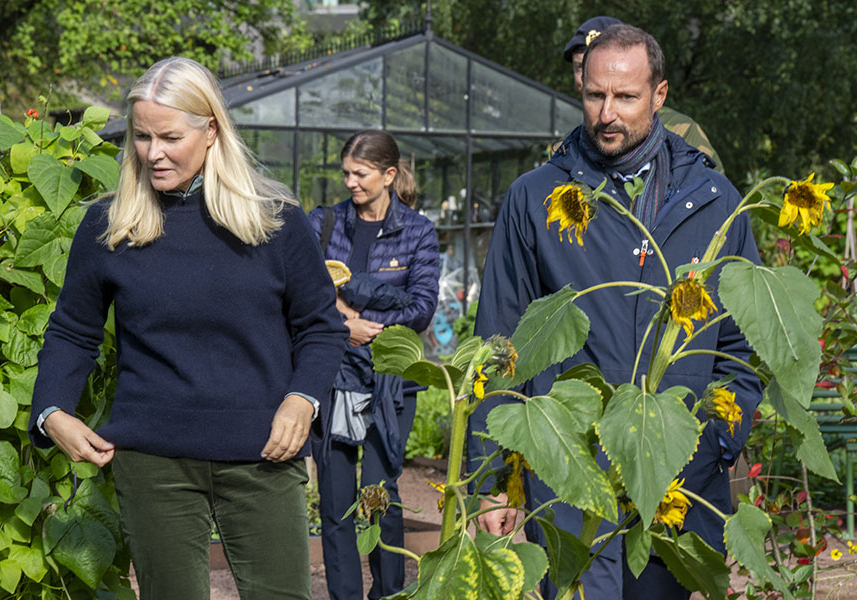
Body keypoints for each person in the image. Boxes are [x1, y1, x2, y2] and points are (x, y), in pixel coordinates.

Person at [28, 57, 348, 600]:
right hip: (152, 463)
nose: (154, 153)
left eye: (171, 137)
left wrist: (302, 400)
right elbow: (72, 332)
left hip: (263, 455)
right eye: (142, 136)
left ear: (211, 130)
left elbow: (321, 327)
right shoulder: (109, 224)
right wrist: (52, 409)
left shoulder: (275, 221)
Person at [468, 25, 762, 599]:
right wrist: (493, 475)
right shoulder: (538, 198)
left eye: (625, 97)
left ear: (659, 95)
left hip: (679, 473)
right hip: (569, 475)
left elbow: (738, 342)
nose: (607, 113)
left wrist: (716, 442)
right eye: (594, 95)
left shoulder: (715, 201)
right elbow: (500, 341)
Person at [307, 130, 439, 600]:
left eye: (360, 174)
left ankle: (388, 592)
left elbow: (422, 307)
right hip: (334, 377)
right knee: (336, 498)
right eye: (345, 173)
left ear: (388, 175)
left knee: (381, 492)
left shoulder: (418, 230)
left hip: (390, 383)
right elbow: (301, 291)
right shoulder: (322, 224)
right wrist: (346, 325)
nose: (350, 183)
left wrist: (357, 305)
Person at [564, 16, 726, 174]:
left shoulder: (681, 132)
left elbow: (711, 190)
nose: (606, 116)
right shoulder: (566, 148)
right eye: (580, 67)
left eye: (626, 97)